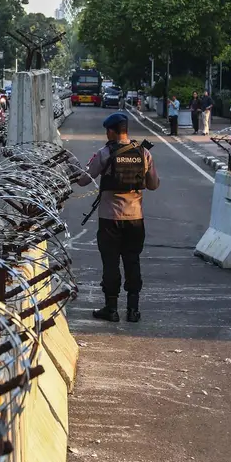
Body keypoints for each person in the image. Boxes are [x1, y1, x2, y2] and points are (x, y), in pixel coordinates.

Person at [78, 112, 160, 323]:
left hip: (109, 219)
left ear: (112, 132)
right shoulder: (143, 153)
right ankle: (133, 310)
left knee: (111, 263)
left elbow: (83, 181)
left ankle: (111, 308)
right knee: (132, 261)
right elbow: (153, 185)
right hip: (135, 218)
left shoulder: (104, 153)